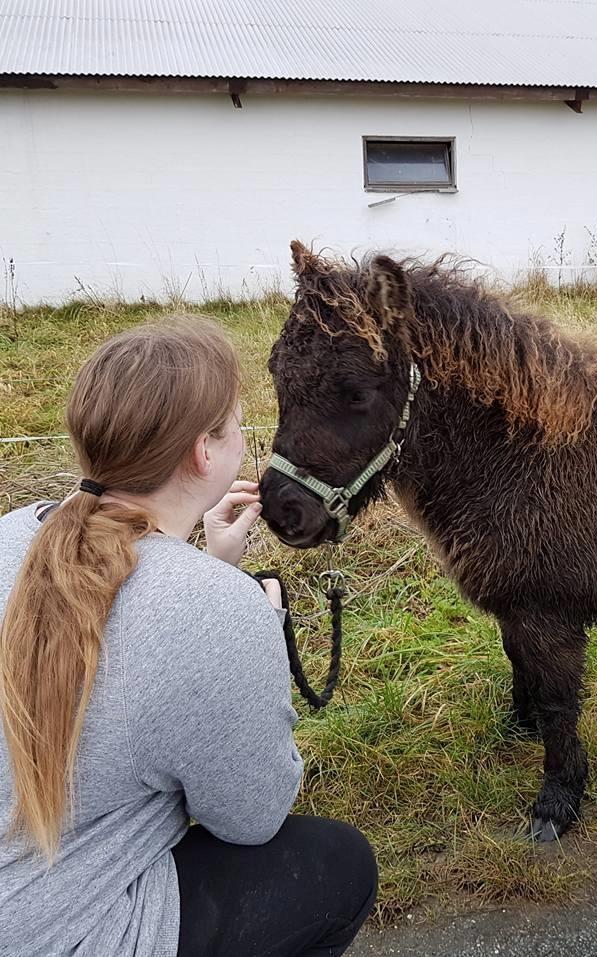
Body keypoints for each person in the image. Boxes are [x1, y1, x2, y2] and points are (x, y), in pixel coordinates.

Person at [0, 317, 376, 956]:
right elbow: (252, 819)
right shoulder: (220, 615)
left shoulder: (14, 533)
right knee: (339, 863)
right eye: (237, 424)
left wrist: (207, 563)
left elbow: (132, 618)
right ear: (206, 452)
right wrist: (245, 622)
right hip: (62, 935)